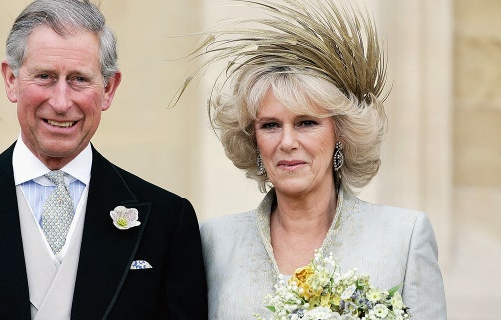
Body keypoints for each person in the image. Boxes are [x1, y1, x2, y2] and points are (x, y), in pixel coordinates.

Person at [0, 0, 208, 319]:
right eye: (45, 76)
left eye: (79, 79)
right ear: (11, 79)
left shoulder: (167, 221)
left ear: (108, 88)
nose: (61, 102)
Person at [188, 0, 447, 319]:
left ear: (341, 134)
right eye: (270, 125)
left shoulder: (404, 235)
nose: (286, 142)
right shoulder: (213, 241)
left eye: (306, 123)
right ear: (253, 141)